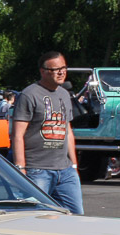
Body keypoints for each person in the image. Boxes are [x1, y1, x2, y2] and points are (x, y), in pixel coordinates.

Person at [12, 51, 83, 214]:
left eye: (64, 68)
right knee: (34, 216)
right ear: (43, 71)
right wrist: (21, 168)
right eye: (56, 69)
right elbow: (17, 135)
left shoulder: (64, 94)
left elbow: (68, 131)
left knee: (76, 215)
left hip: (65, 171)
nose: (61, 72)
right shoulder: (29, 94)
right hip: (37, 169)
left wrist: (73, 165)